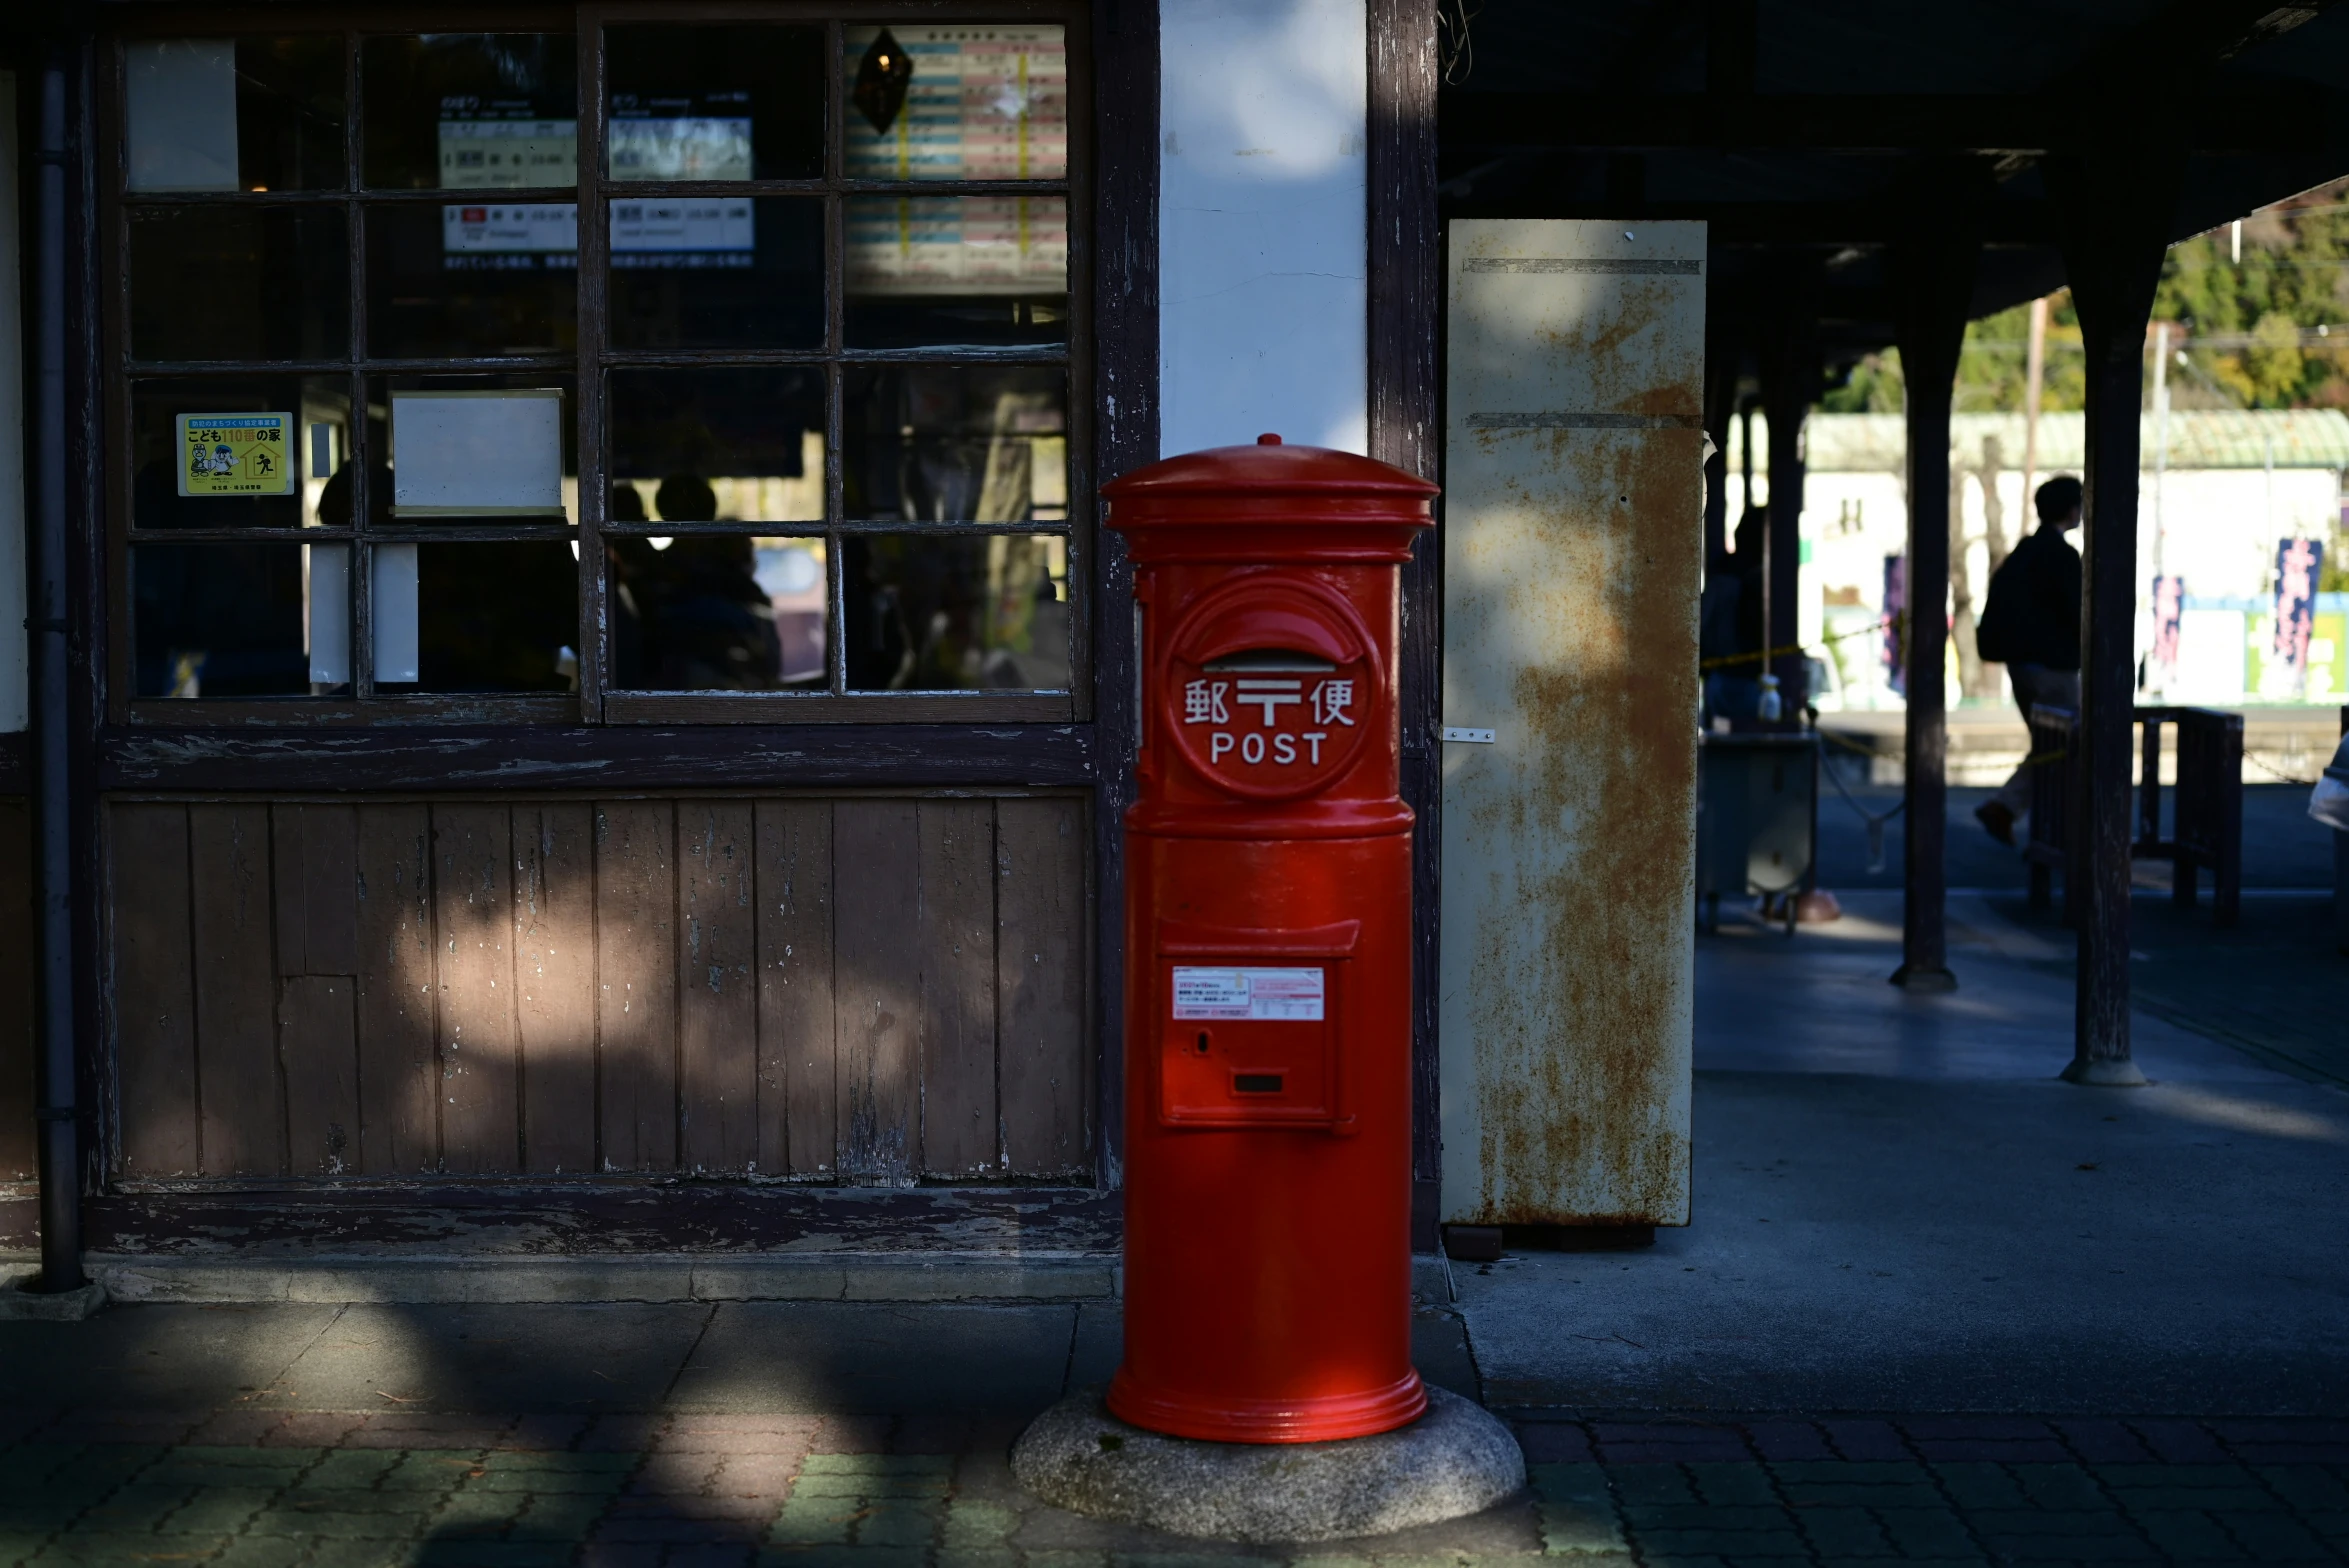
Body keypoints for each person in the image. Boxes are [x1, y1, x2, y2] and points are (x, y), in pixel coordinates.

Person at [1973, 475, 2083, 845]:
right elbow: (2076, 614)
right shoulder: (2064, 558)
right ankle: (2017, 813)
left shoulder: (2020, 555)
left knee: (2051, 745)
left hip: (2020, 668)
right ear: (2072, 510)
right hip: (2055, 669)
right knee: (2066, 743)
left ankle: (2014, 813)